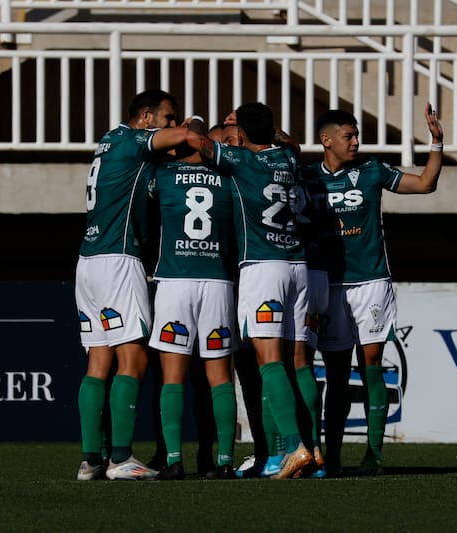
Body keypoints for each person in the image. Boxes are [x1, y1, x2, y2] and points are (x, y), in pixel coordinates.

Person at [302, 104, 443, 476]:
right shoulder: (305, 178)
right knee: (333, 375)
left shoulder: (371, 170)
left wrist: (437, 144)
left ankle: (374, 456)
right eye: (348, 136)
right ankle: (329, 457)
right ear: (326, 140)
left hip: (371, 283)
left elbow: (425, 184)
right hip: (328, 286)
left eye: (356, 135)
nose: (356, 142)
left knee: (371, 367)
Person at [75, 89, 198, 481]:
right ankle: (120, 458)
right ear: (146, 117)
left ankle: (90, 459)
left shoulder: (109, 142)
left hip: (88, 259)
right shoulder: (132, 139)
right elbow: (184, 139)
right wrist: (191, 124)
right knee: (135, 359)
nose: (171, 124)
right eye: (167, 117)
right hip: (118, 257)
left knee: (98, 361)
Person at [187, 102, 314, 479]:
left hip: (263, 267)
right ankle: (314, 449)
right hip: (298, 266)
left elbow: (197, 140)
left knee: (269, 360)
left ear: (240, 134)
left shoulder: (242, 162)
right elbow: (291, 145)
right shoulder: (290, 159)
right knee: (298, 361)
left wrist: (194, 120)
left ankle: (293, 447)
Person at [147, 133, 240, 481]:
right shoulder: (229, 177)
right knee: (220, 379)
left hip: (175, 281)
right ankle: (226, 460)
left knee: (173, 377)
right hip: (217, 282)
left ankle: (173, 460)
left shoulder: (164, 174)